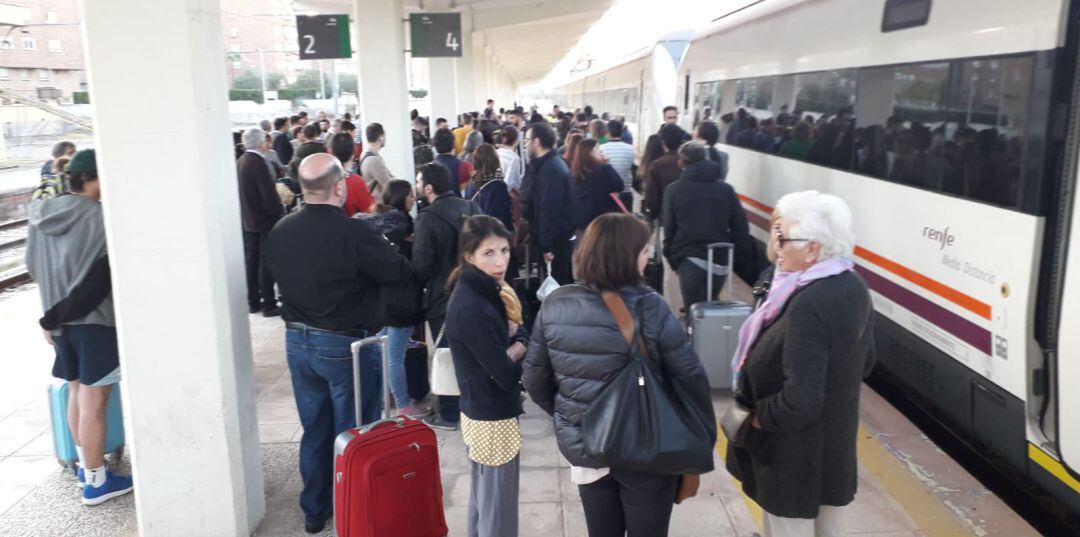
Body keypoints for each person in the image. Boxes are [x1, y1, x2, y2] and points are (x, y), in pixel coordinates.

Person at [522, 213, 714, 537]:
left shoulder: (555, 305)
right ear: (625, 257)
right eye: (643, 252)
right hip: (646, 446)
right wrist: (701, 433)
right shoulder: (650, 305)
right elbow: (690, 376)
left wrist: (570, 416)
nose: (647, 258)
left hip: (586, 448)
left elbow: (533, 379)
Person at [265, 153, 412, 534]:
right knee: (353, 430)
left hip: (297, 342)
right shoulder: (355, 232)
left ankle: (315, 511)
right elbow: (397, 272)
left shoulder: (280, 230)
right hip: (343, 346)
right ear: (339, 186)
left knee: (315, 428)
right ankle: (354, 507)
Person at [725, 191, 872, 537]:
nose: (776, 246)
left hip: (793, 457)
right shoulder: (852, 284)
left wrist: (758, 417)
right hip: (832, 447)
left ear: (813, 249)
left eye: (783, 237)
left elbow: (800, 401)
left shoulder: (808, 303)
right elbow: (867, 362)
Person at [25, 149, 135, 506]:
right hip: (94, 322)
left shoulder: (40, 215)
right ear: (92, 178)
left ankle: (84, 470)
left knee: (75, 391)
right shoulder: (101, 218)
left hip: (58, 322)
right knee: (94, 400)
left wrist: (52, 314)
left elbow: (32, 266)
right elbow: (100, 281)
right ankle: (96, 482)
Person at [445, 215, 528, 537]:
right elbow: (505, 373)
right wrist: (520, 343)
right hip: (492, 417)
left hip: (481, 410)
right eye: (489, 253)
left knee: (485, 502)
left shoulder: (488, 289)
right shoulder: (473, 304)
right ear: (469, 256)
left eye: (504, 251)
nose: (500, 261)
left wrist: (517, 338)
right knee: (498, 510)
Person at [412, 162, 483, 430]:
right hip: (476, 290)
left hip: (443, 297)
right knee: (472, 349)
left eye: (419, 182)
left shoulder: (428, 217)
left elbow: (421, 265)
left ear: (429, 187)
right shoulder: (471, 207)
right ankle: (472, 405)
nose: (417, 186)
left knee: (446, 353)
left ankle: (450, 413)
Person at [361, 179, 431, 419]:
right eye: (411, 195)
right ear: (402, 198)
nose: (414, 199)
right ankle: (403, 405)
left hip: (379, 299)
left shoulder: (371, 224)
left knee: (381, 351)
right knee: (395, 356)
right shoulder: (405, 226)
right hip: (402, 301)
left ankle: (383, 399)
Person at [662, 141, 754, 310]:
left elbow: (669, 229)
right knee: (711, 303)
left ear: (681, 162)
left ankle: (695, 335)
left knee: (694, 309)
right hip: (720, 257)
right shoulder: (726, 189)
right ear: (706, 158)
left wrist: (672, 259)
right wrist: (736, 256)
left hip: (688, 257)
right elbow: (740, 226)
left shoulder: (673, 190)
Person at [523, 122, 578, 285]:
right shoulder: (548, 165)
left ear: (536, 141)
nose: (525, 145)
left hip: (555, 243)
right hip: (554, 239)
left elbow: (548, 210)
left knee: (556, 286)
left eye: (527, 141)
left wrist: (546, 247)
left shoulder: (551, 170)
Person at [238, 128, 285, 316]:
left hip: (248, 219)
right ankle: (269, 303)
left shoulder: (241, 161)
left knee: (252, 261)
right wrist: (278, 213)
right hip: (264, 220)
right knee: (266, 262)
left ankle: (253, 301)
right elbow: (269, 196)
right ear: (261, 143)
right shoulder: (258, 163)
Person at [571, 138, 624, 228]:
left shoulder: (575, 172)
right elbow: (619, 185)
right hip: (602, 218)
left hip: (582, 219)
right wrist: (607, 164)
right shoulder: (604, 169)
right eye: (597, 148)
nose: (601, 151)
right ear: (590, 152)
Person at [466, 144, 514, 234]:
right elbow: (502, 216)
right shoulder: (499, 186)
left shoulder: (471, 182)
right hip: (493, 234)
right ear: (495, 160)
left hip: (475, 233)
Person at [328, 133, 376, 217]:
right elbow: (370, 211)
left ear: (331, 152)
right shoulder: (356, 182)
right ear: (354, 151)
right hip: (351, 227)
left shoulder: (324, 179)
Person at [644, 125, 685, 220]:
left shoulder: (657, 165)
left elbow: (651, 196)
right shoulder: (688, 161)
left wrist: (651, 214)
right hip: (685, 213)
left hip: (663, 213)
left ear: (663, 143)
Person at [599, 119, 636, 211]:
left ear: (607, 132)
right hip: (626, 192)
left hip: (608, 194)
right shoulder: (630, 149)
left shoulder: (601, 148)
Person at [433, 127, 474, 197]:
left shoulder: (427, 170)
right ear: (454, 144)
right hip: (460, 206)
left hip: (435, 207)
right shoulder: (466, 167)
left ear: (435, 145)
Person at [359, 122, 395, 198]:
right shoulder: (374, 160)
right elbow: (389, 185)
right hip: (378, 206)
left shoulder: (365, 154)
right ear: (381, 137)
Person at [496, 126, 524, 193]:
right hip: (505, 194)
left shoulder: (495, 153)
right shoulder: (514, 158)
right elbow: (512, 182)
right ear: (516, 140)